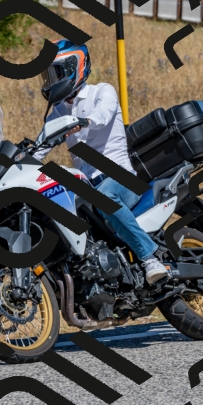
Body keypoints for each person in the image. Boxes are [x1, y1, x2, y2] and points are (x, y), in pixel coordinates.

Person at [33, 39, 168, 284]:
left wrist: (84, 121)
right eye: (48, 76)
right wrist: (21, 158)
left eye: (56, 73)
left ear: (75, 67)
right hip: (87, 185)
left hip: (120, 177)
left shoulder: (102, 91)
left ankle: (150, 258)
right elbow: (41, 146)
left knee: (104, 196)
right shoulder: (58, 111)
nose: (51, 81)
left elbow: (103, 115)